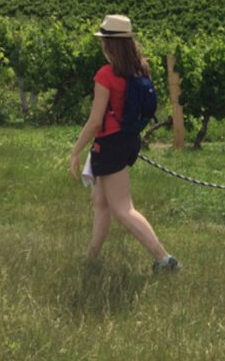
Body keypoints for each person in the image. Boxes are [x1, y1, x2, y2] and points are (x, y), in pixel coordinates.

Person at [69, 14, 180, 273]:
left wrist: (75, 151)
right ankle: (91, 258)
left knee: (122, 208)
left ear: (109, 44)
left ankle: (165, 260)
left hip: (109, 145)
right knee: (100, 201)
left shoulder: (106, 75)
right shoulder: (141, 69)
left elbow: (95, 121)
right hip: (129, 141)